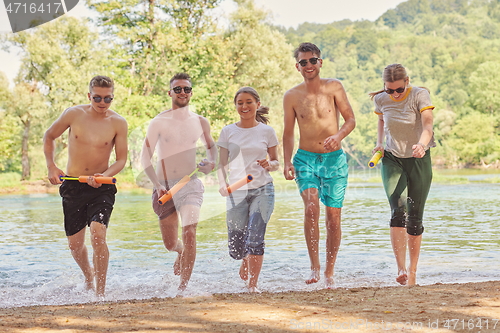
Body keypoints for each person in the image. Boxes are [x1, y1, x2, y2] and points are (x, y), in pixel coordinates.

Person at [44, 75, 128, 297]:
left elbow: (120, 160)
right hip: (73, 186)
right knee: (75, 245)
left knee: (98, 234)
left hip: (102, 187)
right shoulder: (73, 114)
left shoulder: (118, 122)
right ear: (89, 95)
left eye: (108, 99)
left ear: (112, 97)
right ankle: (88, 275)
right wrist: (52, 166)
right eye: (97, 98)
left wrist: (104, 176)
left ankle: (100, 294)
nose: (102, 103)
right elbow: (49, 136)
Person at [283, 42, 356, 288]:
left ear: (320, 62)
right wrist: (286, 161)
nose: (309, 65)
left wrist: (338, 137)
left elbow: (350, 119)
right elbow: (288, 133)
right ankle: (314, 266)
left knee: (333, 218)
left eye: (312, 60)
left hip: (334, 160)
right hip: (305, 159)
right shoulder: (291, 96)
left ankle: (329, 270)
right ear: (298, 67)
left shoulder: (334, 87)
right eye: (303, 62)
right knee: (311, 208)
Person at [140, 73, 216, 293]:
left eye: (187, 89)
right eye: (178, 89)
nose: (183, 92)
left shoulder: (200, 121)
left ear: (191, 92)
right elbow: (146, 156)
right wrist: (156, 185)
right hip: (164, 186)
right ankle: (180, 252)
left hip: (189, 183)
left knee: (190, 231)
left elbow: (211, 147)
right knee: (171, 244)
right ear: (170, 92)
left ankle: (182, 288)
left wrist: (210, 162)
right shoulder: (159, 122)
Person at [369, 63, 434, 286]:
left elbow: (428, 127)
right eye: (389, 90)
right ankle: (401, 269)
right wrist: (379, 144)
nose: (395, 94)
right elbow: (380, 119)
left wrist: (422, 145)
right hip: (392, 158)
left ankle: (413, 272)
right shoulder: (381, 100)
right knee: (398, 209)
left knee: (415, 216)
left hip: (418, 158)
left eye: (399, 89)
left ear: (407, 82)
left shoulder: (420, 95)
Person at [217, 87, 279, 293]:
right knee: (235, 248)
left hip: (263, 189)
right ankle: (244, 258)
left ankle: (253, 285)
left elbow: (276, 162)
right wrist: (222, 184)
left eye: (248, 102)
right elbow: (222, 163)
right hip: (237, 191)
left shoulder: (267, 131)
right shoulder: (228, 131)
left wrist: (269, 164)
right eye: (240, 103)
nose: (244, 106)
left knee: (255, 236)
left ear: (257, 104)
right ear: (236, 106)